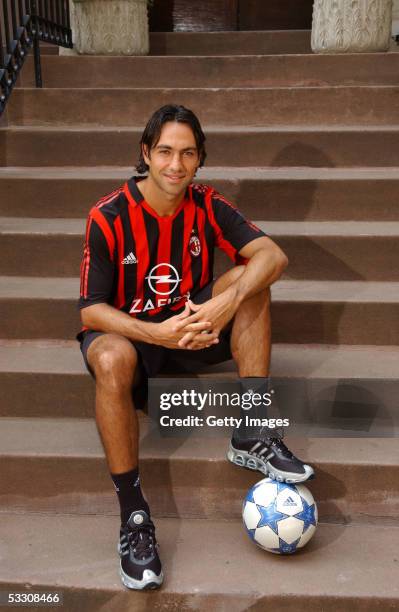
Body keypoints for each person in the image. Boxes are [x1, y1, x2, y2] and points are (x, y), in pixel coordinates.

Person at [77, 104, 314, 591]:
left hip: (193, 328)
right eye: (164, 151)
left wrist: (226, 303)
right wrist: (155, 333)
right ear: (146, 153)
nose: (175, 165)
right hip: (136, 340)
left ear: (200, 159)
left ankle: (253, 428)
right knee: (108, 355)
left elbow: (274, 255)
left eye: (187, 153)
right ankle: (134, 518)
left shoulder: (207, 203)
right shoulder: (109, 215)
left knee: (255, 280)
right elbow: (91, 313)